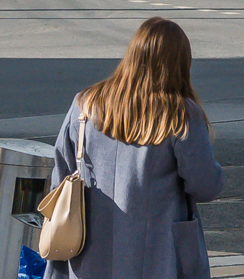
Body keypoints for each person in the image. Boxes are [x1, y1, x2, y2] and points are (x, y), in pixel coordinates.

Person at [44, 17, 223, 279]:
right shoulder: (180, 113)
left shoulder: (84, 105)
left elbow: (60, 173)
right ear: (180, 64)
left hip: (86, 252)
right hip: (156, 256)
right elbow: (206, 185)